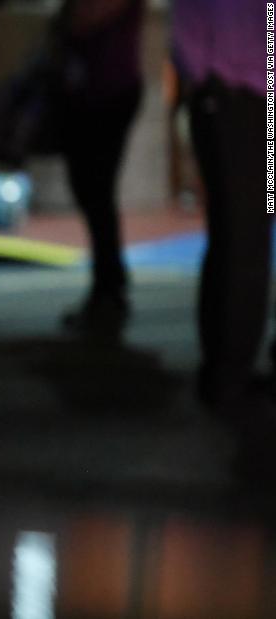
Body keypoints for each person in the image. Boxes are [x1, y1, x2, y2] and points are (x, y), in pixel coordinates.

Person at [171, 0, 274, 476]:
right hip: (236, 92)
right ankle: (228, 375)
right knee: (243, 240)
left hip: (246, 90)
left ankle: (227, 369)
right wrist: (203, 81)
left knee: (241, 237)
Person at [55, 0, 144, 335]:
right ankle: (108, 284)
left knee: (97, 191)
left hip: (108, 91)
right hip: (92, 89)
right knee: (92, 192)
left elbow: (84, 17)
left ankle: (109, 288)